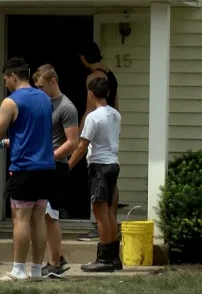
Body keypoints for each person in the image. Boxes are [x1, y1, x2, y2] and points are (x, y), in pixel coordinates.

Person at [0, 57, 56, 282]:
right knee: (39, 218)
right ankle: (36, 270)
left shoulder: (10, 102)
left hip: (24, 167)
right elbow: (30, 133)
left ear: (13, 76)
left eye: (5, 80)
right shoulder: (45, 99)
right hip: (46, 166)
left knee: (20, 218)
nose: (5, 84)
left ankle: (18, 269)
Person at [69, 77, 122, 272]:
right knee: (109, 212)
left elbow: (82, 146)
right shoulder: (115, 114)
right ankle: (114, 257)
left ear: (90, 93)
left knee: (100, 214)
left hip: (99, 166)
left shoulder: (93, 117)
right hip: (113, 165)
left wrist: (67, 166)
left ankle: (104, 259)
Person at [32, 64, 79, 278]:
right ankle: (57, 259)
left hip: (55, 166)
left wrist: (49, 157)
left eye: (42, 86)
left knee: (51, 215)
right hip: (42, 165)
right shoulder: (43, 103)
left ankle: (55, 263)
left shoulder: (66, 107)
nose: (39, 91)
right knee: (44, 214)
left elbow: (72, 142)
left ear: (53, 82)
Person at [77, 41, 121, 242]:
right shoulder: (110, 74)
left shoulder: (93, 78)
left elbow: (89, 110)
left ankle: (101, 233)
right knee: (111, 193)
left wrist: (79, 133)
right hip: (111, 134)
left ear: (83, 58)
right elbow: (116, 104)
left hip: (97, 138)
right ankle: (111, 239)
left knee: (100, 198)